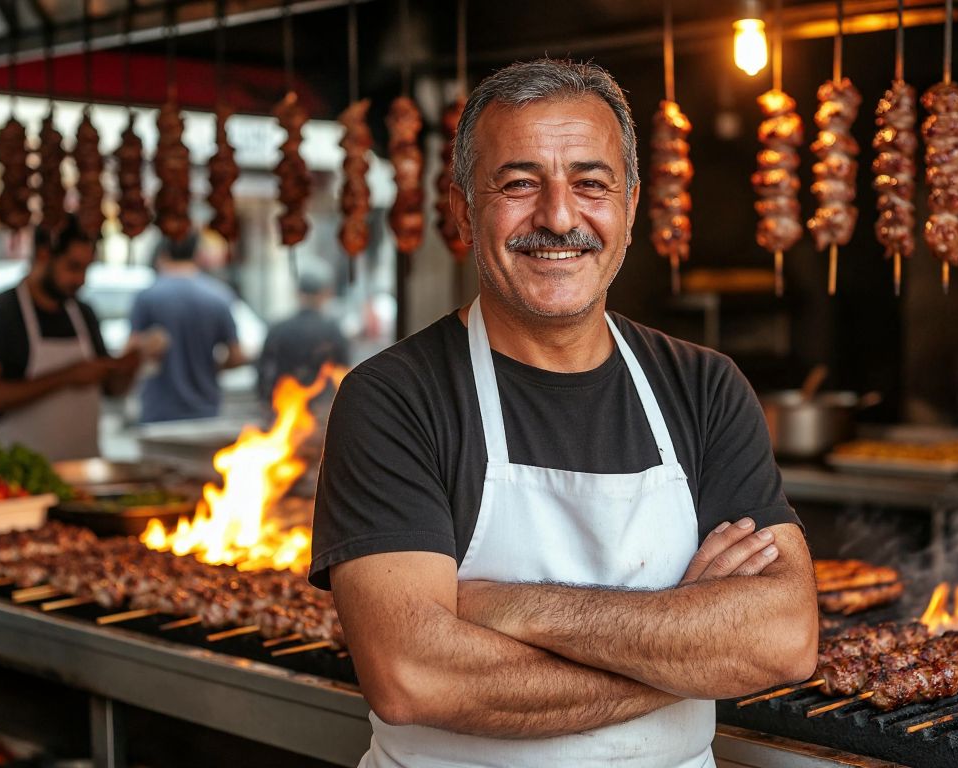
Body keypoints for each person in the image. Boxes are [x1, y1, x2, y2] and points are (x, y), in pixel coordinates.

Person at [311, 59, 817, 767]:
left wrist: (509, 607)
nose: (557, 216)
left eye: (591, 184)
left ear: (632, 206)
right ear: (462, 209)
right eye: (518, 184)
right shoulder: (393, 399)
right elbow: (412, 677)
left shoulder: (705, 388)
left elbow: (785, 637)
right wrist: (687, 650)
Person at [0, 214, 141, 461]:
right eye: (73, 267)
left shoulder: (83, 313)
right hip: (18, 478)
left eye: (87, 268)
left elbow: (110, 390)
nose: (81, 280)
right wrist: (67, 376)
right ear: (44, 255)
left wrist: (126, 368)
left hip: (83, 469)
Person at [128, 232, 246, 424]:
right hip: (206, 409)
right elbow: (237, 355)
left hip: (160, 412)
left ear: (162, 254)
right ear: (197, 254)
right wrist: (210, 367)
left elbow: (130, 351)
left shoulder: (147, 297)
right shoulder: (219, 297)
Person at [255, 264, 350, 403]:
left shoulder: (278, 329)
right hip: (324, 414)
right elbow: (344, 375)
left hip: (285, 412)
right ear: (324, 293)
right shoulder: (333, 331)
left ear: (298, 293)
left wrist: (268, 404)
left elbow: (263, 374)